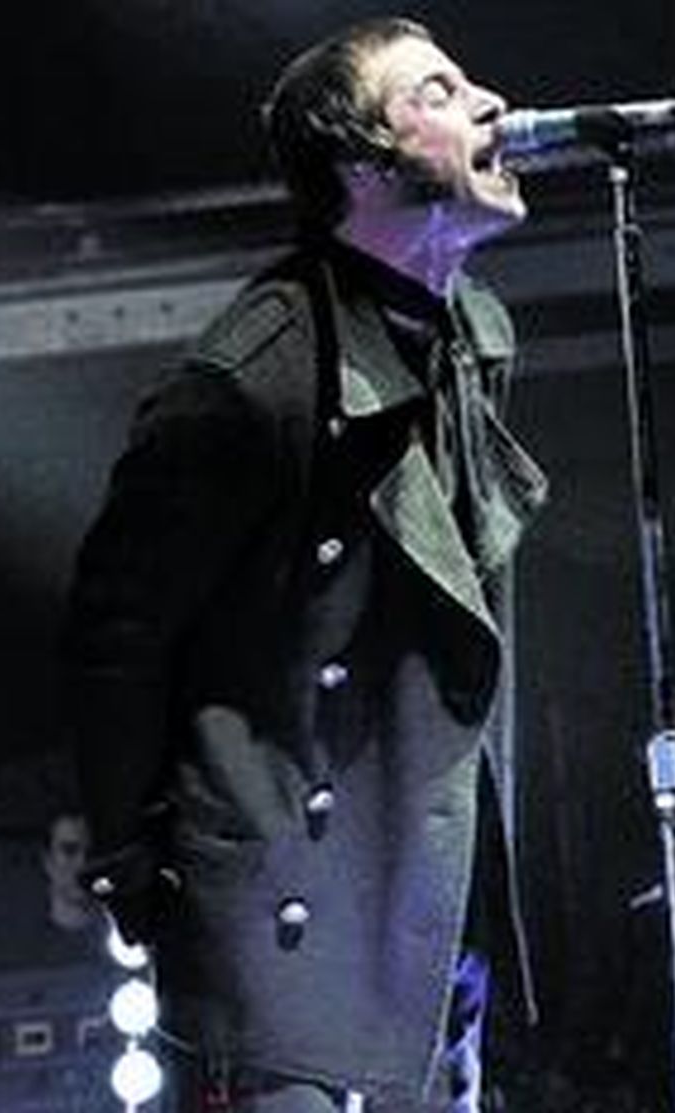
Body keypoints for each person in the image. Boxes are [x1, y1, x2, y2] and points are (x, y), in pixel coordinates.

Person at [61, 15, 548, 1112]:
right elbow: (115, 631)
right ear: (358, 167)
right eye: (437, 91)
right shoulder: (253, 382)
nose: (488, 105)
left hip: (415, 912)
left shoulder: (478, 332)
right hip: (279, 942)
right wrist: (139, 867)